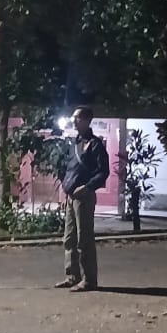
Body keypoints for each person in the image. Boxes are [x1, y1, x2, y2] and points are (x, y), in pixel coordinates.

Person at [54, 106, 110, 292]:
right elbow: (70, 169)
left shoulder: (95, 144)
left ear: (86, 120)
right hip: (71, 197)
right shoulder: (75, 144)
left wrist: (87, 187)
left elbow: (103, 172)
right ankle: (72, 275)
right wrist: (67, 189)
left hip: (84, 196)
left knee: (84, 239)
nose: (73, 121)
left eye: (77, 118)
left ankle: (89, 280)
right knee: (69, 238)